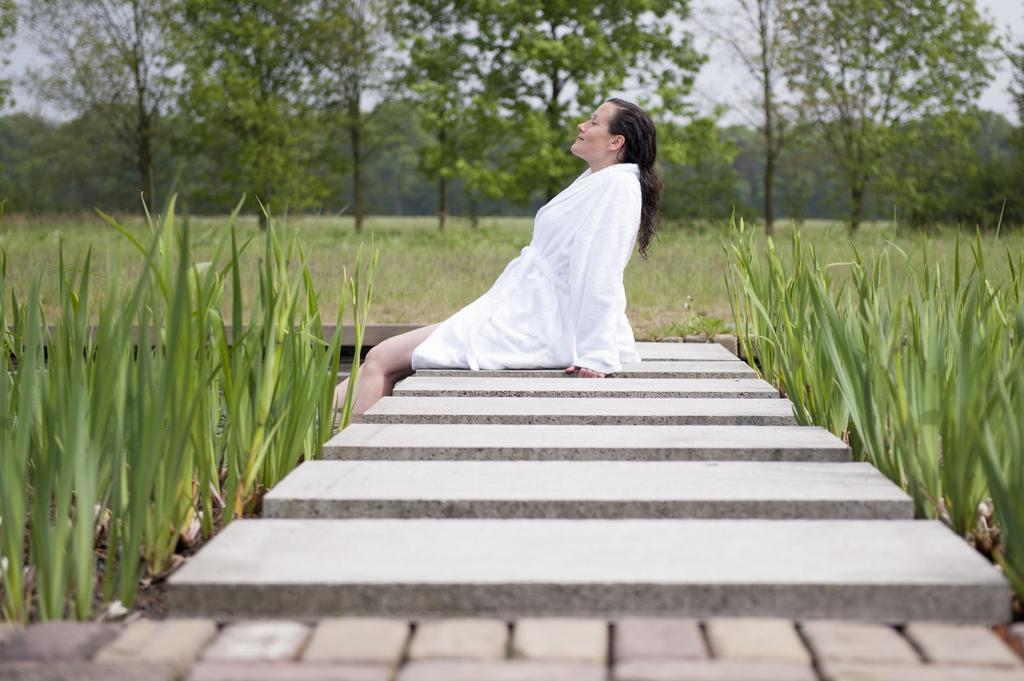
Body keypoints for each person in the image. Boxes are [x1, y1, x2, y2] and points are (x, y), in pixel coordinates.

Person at [334, 97, 662, 421]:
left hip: (536, 324)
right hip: (519, 311)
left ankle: (347, 459)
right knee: (366, 369)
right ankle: (303, 425)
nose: (582, 125)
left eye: (593, 121)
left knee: (379, 358)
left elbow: (600, 272)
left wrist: (598, 355)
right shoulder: (599, 181)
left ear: (616, 141)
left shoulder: (618, 187)